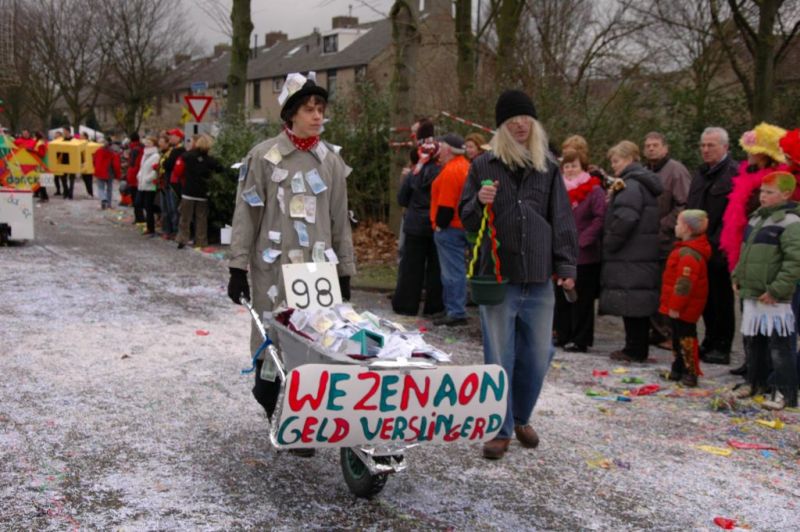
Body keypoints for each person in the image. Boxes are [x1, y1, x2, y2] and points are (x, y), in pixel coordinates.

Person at [227, 72, 356, 454]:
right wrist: (237, 267)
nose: (317, 116)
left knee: (315, 343)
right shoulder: (263, 156)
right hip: (274, 271)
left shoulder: (330, 161)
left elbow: (339, 219)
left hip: (317, 272)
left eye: (321, 109)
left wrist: (344, 270)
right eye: (309, 109)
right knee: (273, 342)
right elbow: (246, 214)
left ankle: (301, 423)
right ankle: (270, 399)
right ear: (291, 114)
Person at [459, 89, 577, 460]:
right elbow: (465, 218)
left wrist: (567, 266)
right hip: (498, 277)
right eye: (513, 120)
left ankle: (521, 415)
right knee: (499, 356)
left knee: (538, 354)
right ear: (502, 128)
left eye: (526, 118)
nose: (521, 124)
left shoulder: (548, 167)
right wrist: (478, 202)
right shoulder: (483, 165)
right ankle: (501, 428)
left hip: (539, 276)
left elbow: (562, 219)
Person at [719, 123, 789, 372]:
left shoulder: (776, 181)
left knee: (764, 311)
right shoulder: (747, 175)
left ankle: (765, 365)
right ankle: (752, 361)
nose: (748, 154)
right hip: (746, 246)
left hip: (765, 248)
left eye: (753, 149)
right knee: (747, 307)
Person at [731, 171, 800, 410]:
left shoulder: (791, 222)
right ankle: (755, 382)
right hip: (753, 292)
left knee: (780, 345)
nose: (763, 196)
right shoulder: (756, 218)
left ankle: (785, 392)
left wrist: (777, 289)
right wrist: (737, 275)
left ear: (786, 194)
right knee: (754, 342)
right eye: (762, 191)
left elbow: (794, 261)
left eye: (769, 192)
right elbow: (745, 251)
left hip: (775, 297)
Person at [600, 140, 664, 363]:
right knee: (637, 300)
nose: (613, 166)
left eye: (616, 161)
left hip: (630, 253)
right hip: (640, 252)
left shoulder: (631, 185)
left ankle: (634, 349)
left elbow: (626, 217)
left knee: (633, 301)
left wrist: (610, 241)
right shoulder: (641, 183)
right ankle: (636, 346)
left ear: (628, 159)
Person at [686, 127, 739, 366]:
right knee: (704, 298)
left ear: (725, 147)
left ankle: (722, 345)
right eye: (703, 145)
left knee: (721, 298)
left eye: (711, 145)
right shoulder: (700, 174)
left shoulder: (733, 173)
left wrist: (717, 244)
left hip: (719, 246)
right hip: (697, 245)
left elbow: (733, 215)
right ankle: (709, 339)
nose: (706, 150)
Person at [553, 148, 606, 353]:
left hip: (585, 253)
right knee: (561, 295)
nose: (570, 170)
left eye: (574, 166)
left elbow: (600, 218)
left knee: (581, 298)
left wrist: (584, 240)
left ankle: (580, 338)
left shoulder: (594, 190)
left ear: (583, 167)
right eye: (566, 166)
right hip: (561, 250)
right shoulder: (558, 190)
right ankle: (562, 333)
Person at [643, 132, 692, 348]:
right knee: (652, 287)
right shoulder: (645, 171)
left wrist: (664, 224)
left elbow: (684, 203)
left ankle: (671, 333)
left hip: (669, 239)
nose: (651, 148)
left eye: (655, 145)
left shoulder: (676, 170)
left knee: (668, 287)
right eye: (647, 145)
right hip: (648, 240)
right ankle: (658, 331)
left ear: (665, 148)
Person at [392, 119, 444, 317]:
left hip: (414, 225)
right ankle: (434, 306)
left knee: (411, 267)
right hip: (436, 224)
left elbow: (402, 199)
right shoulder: (442, 171)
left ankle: (406, 305)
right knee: (435, 268)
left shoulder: (413, 173)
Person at [659, 210, 711, 387]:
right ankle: (678, 368)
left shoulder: (689, 254)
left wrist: (675, 305)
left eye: (678, 223)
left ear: (686, 228)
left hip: (685, 306)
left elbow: (684, 284)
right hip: (680, 305)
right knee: (676, 337)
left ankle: (690, 371)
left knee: (686, 338)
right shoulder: (683, 250)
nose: (675, 227)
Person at [429, 133, 471, 326]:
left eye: (441, 146)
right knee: (459, 270)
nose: (438, 150)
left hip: (450, 227)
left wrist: (439, 225)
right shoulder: (466, 166)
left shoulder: (450, 171)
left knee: (452, 272)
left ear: (447, 149)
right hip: (465, 224)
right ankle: (454, 308)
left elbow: (446, 206)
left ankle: (455, 311)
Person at [175, 134, 223, 249]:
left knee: (185, 218)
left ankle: (182, 239)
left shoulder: (187, 156)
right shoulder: (210, 160)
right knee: (201, 218)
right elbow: (220, 169)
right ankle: (201, 241)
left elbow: (180, 166)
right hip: (202, 193)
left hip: (188, 192)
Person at [136, 136, 161, 236]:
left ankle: (151, 228)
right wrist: (139, 175)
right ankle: (149, 226)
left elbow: (155, 171)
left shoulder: (156, 156)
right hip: (142, 183)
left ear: (154, 144)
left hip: (150, 185)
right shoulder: (144, 154)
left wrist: (147, 179)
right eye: (146, 142)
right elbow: (142, 168)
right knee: (139, 203)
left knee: (148, 206)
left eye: (149, 142)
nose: (146, 144)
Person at [155, 134, 177, 239]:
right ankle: (166, 230)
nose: (159, 144)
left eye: (161, 142)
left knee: (171, 208)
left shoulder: (170, 153)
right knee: (164, 209)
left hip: (168, 182)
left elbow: (168, 166)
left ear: (167, 143)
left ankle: (173, 230)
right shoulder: (162, 153)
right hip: (162, 183)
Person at [92, 136, 121, 210]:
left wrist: (96, 168)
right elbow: (116, 164)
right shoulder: (113, 152)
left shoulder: (98, 151)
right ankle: (109, 204)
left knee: (100, 187)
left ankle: (103, 199)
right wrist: (117, 174)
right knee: (109, 189)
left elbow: (94, 160)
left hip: (100, 172)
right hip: (109, 172)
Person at [126, 132, 144, 222]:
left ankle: (139, 218)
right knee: (138, 198)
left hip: (134, 177)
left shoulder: (135, 150)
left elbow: (132, 164)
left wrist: (129, 176)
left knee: (135, 199)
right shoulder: (141, 148)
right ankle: (139, 217)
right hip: (139, 176)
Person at [33, 132, 49, 203]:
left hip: (42, 164)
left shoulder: (40, 143)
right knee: (42, 182)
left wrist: (33, 152)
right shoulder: (41, 142)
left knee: (42, 182)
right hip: (42, 163)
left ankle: (44, 197)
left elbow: (42, 154)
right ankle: (44, 196)